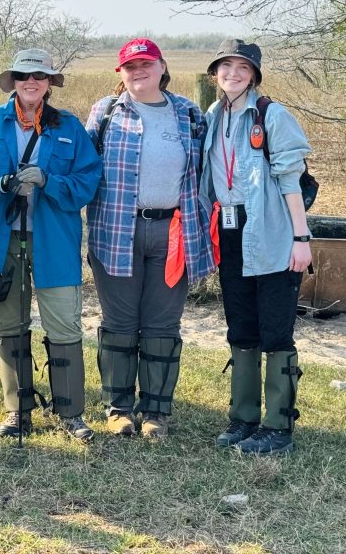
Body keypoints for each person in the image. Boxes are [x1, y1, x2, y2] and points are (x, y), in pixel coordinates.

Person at [0, 49, 101, 442]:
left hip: (53, 240)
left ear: (50, 83)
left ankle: (71, 413)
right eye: (23, 75)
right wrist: (1, 184)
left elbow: (88, 183)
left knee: (64, 324)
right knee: (9, 323)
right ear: (13, 82)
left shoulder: (70, 127)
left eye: (39, 75)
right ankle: (17, 411)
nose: (30, 81)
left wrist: (48, 182)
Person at [86, 38, 214, 439]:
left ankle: (156, 411)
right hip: (116, 231)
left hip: (174, 234)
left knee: (162, 324)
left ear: (162, 67)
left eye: (146, 64)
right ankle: (119, 408)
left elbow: (210, 170)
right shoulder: (105, 113)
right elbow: (82, 168)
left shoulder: (189, 114)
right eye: (130, 66)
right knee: (120, 323)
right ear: (119, 74)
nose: (138, 71)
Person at [201, 40, 312, 455]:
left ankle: (278, 427)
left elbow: (290, 180)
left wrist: (301, 239)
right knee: (241, 326)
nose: (233, 73)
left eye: (242, 67)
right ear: (215, 73)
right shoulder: (213, 116)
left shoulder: (272, 115)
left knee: (276, 330)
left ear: (254, 74)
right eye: (225, 66)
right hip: (231, 230)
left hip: (273, 232)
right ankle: (243, 418)